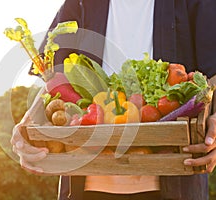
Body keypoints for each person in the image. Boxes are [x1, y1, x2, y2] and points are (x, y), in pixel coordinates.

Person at [11, 0, 216, 199]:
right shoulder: (81, 3)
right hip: (87, 185)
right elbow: (52, 77)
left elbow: (212, 75)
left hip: (173, 184)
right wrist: (27, 123)